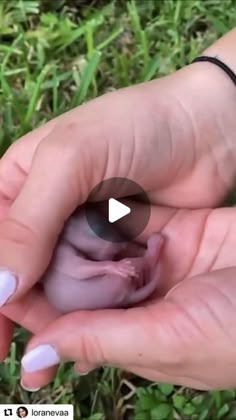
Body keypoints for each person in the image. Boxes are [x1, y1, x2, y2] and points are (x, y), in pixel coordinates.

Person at [0, 28, 235, 392]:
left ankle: (150, 261)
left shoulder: (86, 231)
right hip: (93, 285)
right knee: (130, 270)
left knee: (133, 263)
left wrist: (204, 108)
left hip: (101, 278)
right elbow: (79, 266)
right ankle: (148, 263)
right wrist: (210, 102)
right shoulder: (69, 254)